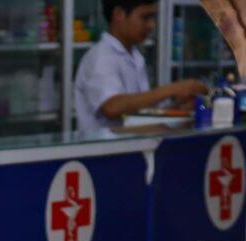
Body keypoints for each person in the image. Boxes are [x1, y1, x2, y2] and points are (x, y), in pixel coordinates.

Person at [74, 0, 206, 138]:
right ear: (119, 14)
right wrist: (171, 90)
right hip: (105, 149)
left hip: (133, 146)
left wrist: (179, 108)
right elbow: (112, 107)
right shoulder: (101, 57)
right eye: (145, 17)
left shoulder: (134, 56)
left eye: (152, 18)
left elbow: (138, 113)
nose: (151, 25)